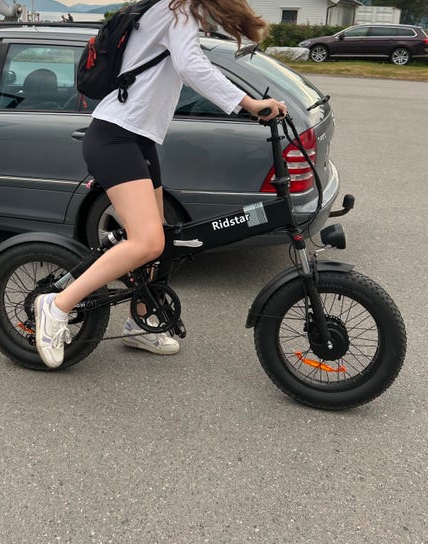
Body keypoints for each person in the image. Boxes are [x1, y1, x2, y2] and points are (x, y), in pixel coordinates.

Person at [34, 0, 287, 369]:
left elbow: (191, 62)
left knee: (161, 242)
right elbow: (191, 66)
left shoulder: (179, 13)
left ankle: (140, 323)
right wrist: (248, 103)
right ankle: (56, 306)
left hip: (138, 138)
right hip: (115, 136)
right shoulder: (176, 10)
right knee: (147, 240)